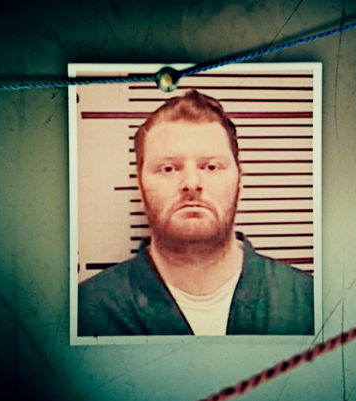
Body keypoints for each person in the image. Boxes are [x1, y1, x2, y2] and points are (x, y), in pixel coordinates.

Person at [78, 90, 314, 336]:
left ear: (240, 182)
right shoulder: (84, 312)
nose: (191, 182)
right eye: (168, 168)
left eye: (211, 166)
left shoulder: (310, 302)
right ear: (139, 187)